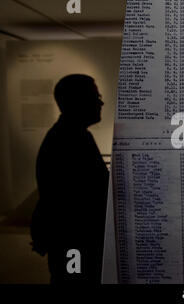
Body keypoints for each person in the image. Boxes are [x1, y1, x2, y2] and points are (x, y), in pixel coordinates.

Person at [30, 74, 109, 283]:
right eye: (95, 96)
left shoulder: (70, 135)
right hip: (75, 242)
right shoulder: (71, 140)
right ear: (76, 101)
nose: (101, 102)